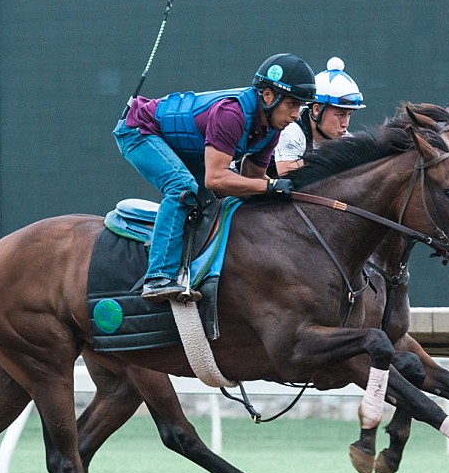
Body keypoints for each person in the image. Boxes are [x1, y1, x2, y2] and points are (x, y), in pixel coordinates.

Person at [114, 53, 316, 302]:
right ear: (268, 96)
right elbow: (216, 179)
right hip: (138, 131)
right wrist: (271, 185)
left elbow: (252, 180)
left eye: (300, 107)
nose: (297, 115)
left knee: (210, 200)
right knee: (182, 187)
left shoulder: (271, 130)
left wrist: (281, 191)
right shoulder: (231, 114)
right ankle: (158, 277)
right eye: (292, 105)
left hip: (178, 144)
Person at [273, 57, 365, 175]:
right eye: (340, 115)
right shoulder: (290, 130)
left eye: (349, 115)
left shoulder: (345, 138)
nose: (345, 124)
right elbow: (287, 174)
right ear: (316, 110)